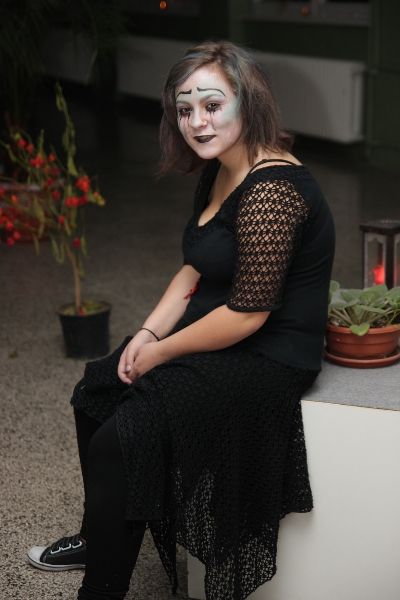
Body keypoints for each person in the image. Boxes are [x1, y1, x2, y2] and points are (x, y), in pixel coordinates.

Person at [28, 41, 335, 600]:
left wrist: (162, 351)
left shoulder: (273, 191)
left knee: (119, 439)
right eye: (184, 109)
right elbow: (195, 265)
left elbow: (247, 315)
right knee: (97, 387)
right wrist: (148, 333)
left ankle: (101, 589)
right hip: (220, 329)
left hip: (267, 354)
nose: (197, 122)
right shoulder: (222, 168)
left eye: (212, 105)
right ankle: (99, 537)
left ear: (249, 101)